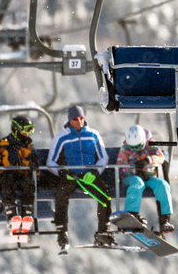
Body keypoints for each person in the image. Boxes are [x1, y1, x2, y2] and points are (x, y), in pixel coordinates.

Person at [47, 105, 113, 251]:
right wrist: (62, 172)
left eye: (82, 119)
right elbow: (51, 162)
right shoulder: (61, 137)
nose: (79, 122)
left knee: (104, 195)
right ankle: (62, 232)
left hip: (88, 175)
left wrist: (95, 172)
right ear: (70, 120)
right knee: (61, 196)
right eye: (76, 119)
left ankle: (103, 231)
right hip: (70, 176)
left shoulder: (93, 135)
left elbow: (103, 158)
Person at [117, 124, 174, 233]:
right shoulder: (125, 149)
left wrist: (148, 161)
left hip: (148, 177)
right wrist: (136, 172)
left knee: (162, 185)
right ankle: (131, 215)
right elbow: (121, 166)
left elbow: (161, 157)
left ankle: (164, 220)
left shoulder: (151, 145)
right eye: (132, 147)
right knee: (137, 183)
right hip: (130, 178)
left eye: (138, 146)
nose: (134, 149)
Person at [0, 115, 39, 227]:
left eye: (30, 129)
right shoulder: (2, 146)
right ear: (16, 130)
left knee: (29, 182)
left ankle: (27, 214)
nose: (28, 133)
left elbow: (36, 167)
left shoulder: (29, 147)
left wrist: (34, 167)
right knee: (8, 178)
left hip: (23, 178)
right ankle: (11, 215)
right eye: (26, 129)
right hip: (6, 179)